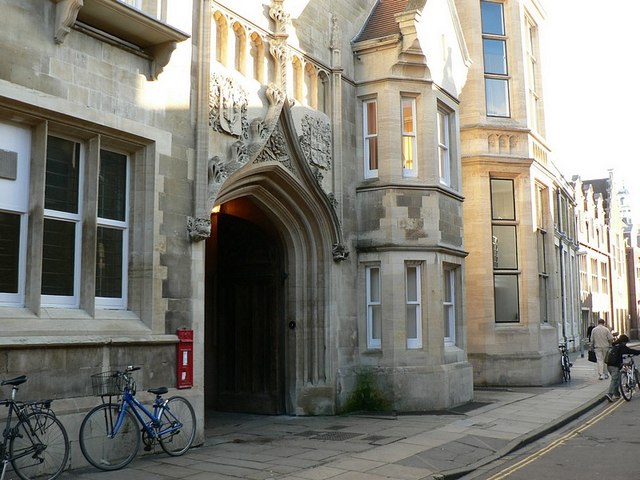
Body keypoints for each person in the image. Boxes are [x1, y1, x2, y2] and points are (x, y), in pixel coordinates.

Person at [605, 334, 640, 402]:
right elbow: (630, 351)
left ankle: (617, 394)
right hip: (615, 366)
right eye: (626, 342)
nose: (626, 344)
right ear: (624, 341)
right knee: (615, 379)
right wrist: (638, 352)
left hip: (609, 365)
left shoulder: (614, 345)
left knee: (616, 380)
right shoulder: (621, 346)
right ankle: (609, 394)